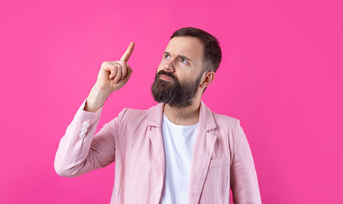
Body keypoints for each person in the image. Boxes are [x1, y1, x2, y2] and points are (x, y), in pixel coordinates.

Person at [54, 27, 262, 204]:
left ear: (206, 79)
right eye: (166, 55)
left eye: (183, 61)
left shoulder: (230, 132)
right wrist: (99, 92)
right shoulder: (128, 123)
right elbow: (67, 165)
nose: (167, 66)